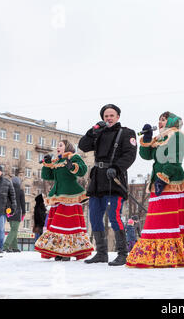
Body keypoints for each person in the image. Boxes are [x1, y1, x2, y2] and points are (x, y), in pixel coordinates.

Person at [126, 112, 184, 268]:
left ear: (171, 121)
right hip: (158, 182)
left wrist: (164, 177)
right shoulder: (161, 138)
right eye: (159, 120)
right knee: (157, 220)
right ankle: (156, 255)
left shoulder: (177, 135)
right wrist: (148, 138)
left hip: (172, 182)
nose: (160, 122)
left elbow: (176, 158)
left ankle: (170, 255)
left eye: (163, 120)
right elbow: (147, 155)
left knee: (166, 221)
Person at [79, 104, 137, 266]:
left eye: (112, 115)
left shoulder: (126, 133)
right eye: (106, 116)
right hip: (97, 180)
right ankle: (101, 253)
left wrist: (117, 168)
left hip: (114, 180)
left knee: (114, 217)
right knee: (95, 217)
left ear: (118, 116)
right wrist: (92, 132)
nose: (109, 118)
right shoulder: (98, 133)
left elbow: (130, 154)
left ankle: (122, 253)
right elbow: (83, 146)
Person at [34, 140, 93, 261]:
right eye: (57, 146)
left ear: (67, 147)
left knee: (65, 225)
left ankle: (66, 252)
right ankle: (59, 251)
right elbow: (47, 176)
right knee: (56, 226)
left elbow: (82, 170)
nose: (57, 148)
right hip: (57, 196)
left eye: (60, 145)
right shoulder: (57, 161)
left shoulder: (73, 157)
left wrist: (72, 166)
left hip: (70, 196)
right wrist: (47, 163)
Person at [3, 177, 26, 252]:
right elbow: (23, 203)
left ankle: (14, 247)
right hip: (17, 212)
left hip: (9, 212)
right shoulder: (20, 191)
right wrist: (24, 212)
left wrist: (6, 212)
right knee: (14, 230)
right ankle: (5, 246)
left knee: (14, 230)